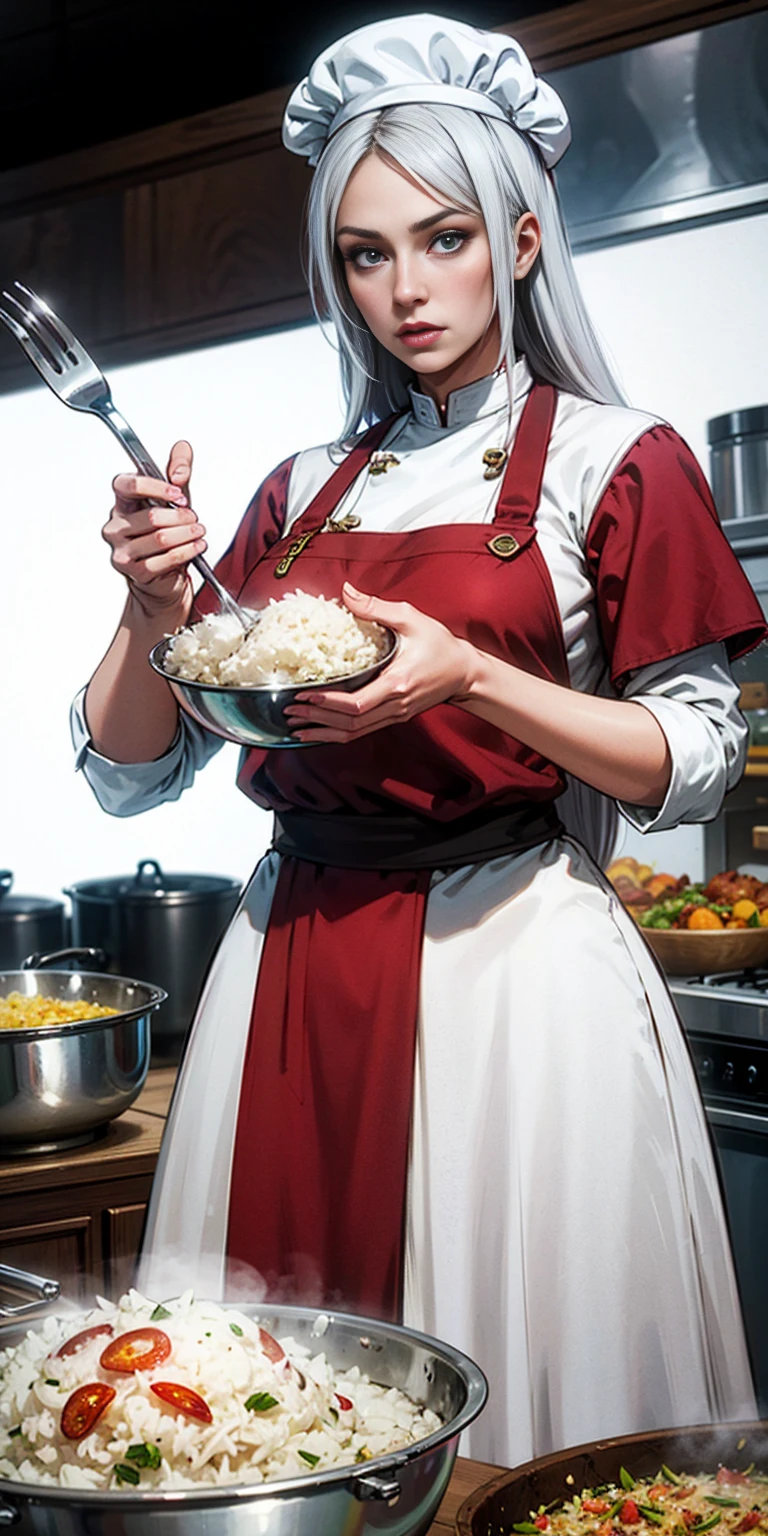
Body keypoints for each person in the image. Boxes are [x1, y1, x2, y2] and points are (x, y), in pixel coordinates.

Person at [72, 14, 766, 1465]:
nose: (405, 290)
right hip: (293, 960)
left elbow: (691, 759)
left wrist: (472, 677)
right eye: (364, 256)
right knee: (262, 1416)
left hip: (508, 964)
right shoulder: (299, 489)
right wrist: (150, 606)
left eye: (442, 239)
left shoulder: (612, 459)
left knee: (516, 1421)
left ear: (520, 239)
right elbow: (136, 772)